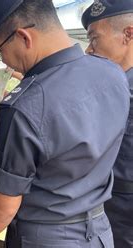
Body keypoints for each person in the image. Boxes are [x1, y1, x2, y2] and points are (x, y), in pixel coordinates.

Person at [0, 0, 130, 247]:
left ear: (23, 37)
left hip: (44, 238)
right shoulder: (112, 73)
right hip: (101, 231)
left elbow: (1, 207)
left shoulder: (23, 107)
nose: (4, 61)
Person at [82, 1, 133, 247]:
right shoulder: (112, 85)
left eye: (94, 39)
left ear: (128, 34)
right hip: (104, 202)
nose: (88, 50)